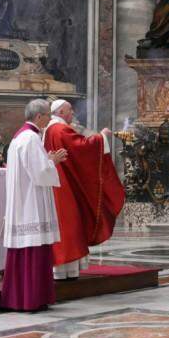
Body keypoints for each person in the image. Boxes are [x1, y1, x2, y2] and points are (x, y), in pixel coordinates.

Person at [43, 99, 125, 280]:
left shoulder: (51, 129)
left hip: (60, 181)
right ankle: (65, 269)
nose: (73, 113)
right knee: (69, 224)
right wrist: (101, 137)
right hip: (63, 186)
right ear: (61, 112)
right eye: (70, 110)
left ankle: (65, 269)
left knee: (69, 224)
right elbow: (81, 147)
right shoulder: (60, 129)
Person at [1, 99, 67, 312]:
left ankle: (23, 298)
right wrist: (52, 163)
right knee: (33, 249)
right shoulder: (30, 138)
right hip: (30, 204)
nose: (50, 118)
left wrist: (45, 161)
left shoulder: (20, 136)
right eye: (48, 115)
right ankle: (32, 298)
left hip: (24, 200)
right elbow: (40, 173)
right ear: (38, 117)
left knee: (27, 249)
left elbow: (32, 167)